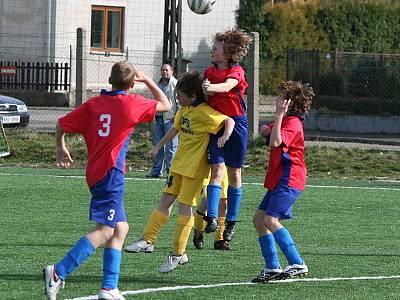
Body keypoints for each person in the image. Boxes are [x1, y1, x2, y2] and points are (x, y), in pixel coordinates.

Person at [42, 61, 171, 300]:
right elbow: (166, 104)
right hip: (111, 173)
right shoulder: (131, 103)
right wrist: (148, 80)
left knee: (121, 229)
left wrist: (61, 148)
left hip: (95, 173)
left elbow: (61, 124)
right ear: (132, 84)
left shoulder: (93, 104)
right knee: (104, 230)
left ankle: (109, 287)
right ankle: (58, 272)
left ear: (109, 81)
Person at [124, 71, 234, 273]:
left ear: (193, 96)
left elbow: (229, 120)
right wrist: (157, 147)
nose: (177, 99)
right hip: (178, 166)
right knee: (165, 201)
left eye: (180, 96)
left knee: (185, 210)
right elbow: (174, 130)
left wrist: (225, 135)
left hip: (194, 171)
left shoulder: (204, 112)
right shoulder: (184, 111)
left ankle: (178, 254)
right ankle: (148, 239)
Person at [251, 81, 314, 283]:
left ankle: (297, 262)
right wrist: (267, 127)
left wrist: (277, 118)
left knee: (270, 220)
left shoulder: (293, 123)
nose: (277, 100)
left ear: (288, 103)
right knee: (259, 220)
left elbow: (275, 142)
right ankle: (272, 267)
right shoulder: (287, 120)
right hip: (279, 179)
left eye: (281, 97)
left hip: (290, 178)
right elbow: (268, 132)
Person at [201, 28, 253, 241]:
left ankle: (231, 221)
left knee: (235, 175)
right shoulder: (209, 72)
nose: (212, 50)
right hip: (218, 124)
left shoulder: (237, 71)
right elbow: (207, 95)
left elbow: (228, 86)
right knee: (217, 171)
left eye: (216, 47)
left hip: (238, 125)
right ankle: (212, 218)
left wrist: (210, 87)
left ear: (228, 52)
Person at [147, 63, 179, 178]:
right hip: (158, 118)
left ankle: (171, 171)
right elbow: (153, 100)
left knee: (171, 147)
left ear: (172, 71)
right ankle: (156, 171)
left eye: (166, 70)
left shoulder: (175, 84)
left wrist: (177, 117)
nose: (164, 72)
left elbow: (179, 101)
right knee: (157, 146)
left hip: (170, 119)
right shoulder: (157, 84)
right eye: (162, 70)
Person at [192, 174, 230, 250]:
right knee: (206, 200)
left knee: (224, 202)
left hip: (223, 169)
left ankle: (220, 239)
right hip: (207, 169)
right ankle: (198, 232)